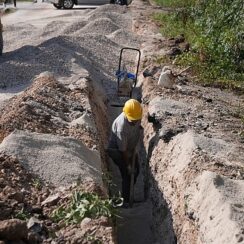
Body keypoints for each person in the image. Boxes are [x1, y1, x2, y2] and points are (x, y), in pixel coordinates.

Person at [106, 99, 142, 205]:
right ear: (126, 114)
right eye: (132, 121)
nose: (135, 122)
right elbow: (123, 151)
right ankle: (125, 201)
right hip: (117, 151)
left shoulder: (136, 112)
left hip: (129, 147)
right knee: (127, 174)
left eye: (136, 120)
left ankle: (129, 195)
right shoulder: (121, 128)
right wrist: (128, 166)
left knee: (136, 172)